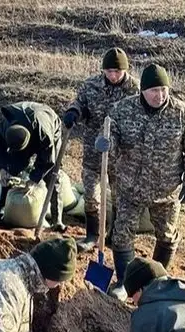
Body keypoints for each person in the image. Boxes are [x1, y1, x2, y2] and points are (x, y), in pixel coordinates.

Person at [95, 63, 185, 300]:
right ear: (143, 90)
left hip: (166, 190)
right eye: (154, 90)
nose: (160, 95)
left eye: (164, 90)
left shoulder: (182, 114)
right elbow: (110, 134)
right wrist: (105, 143)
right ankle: (125, 283)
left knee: (167, 235)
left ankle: (155, 282)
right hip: (129, 186)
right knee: (122, 234)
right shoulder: (123, 110)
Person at [63, 48, 140, 251]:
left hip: (121, 154)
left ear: (125, 70)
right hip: (92, 149)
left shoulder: (135, 90)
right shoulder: (91, 85)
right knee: (91, 194)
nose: (113, 76)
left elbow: (141, 119)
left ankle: (114, 235)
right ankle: (92, 235)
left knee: (119, 197)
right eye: (109, 71)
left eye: (117, 71)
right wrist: (74, 112)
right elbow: (79, 102)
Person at [0, 102, 66, 230]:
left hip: (50, 125)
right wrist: (2, 168)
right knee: (12, 168)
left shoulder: (44, 133)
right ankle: (1, 210)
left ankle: (57, 220)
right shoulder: (4, 128)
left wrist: (34, 180)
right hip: (24, 130)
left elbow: (48, 160)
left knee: (52, 175)